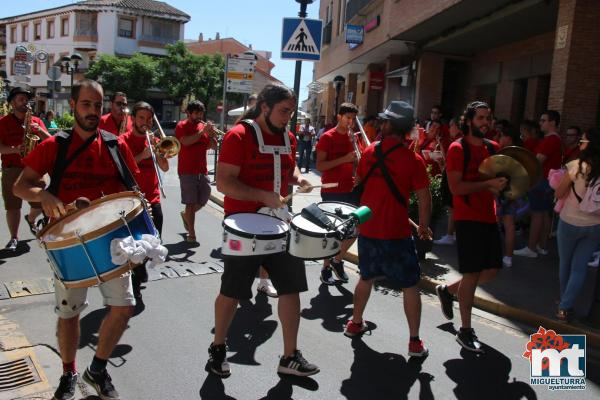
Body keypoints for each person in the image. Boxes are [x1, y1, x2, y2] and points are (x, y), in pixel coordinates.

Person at [13, 79, 140, 400]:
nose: (93, 111)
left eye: (98, 106)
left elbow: (130, 192)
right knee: (69, 313)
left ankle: (96, 369)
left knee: (123, 308)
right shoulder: (56, 145)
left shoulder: (115, 145)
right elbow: (20, 186)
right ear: (73, 106)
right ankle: (69, 372)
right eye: (86, 104)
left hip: (110, 239)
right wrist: (44, 196)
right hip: (69, 240)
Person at [209, 84, 319, 378]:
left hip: (280, 223)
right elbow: (223, 183)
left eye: (291, 112)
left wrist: (299, 180)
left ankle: (289, 356)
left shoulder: (289, 138)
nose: (288, 117)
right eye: (284, 111)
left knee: (292, 289)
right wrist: (262, 196)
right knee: (231, 291)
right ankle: (218, 349)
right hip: (243, 225)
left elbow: (289, 169)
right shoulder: (239, 136)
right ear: (265, 107)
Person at [344, 101, 431, 358]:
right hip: (397, 233)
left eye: (384, 121)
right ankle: (414, 342)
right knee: (410, 285)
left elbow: (358, 184)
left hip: (369, 229)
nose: (380, 124)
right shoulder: (413, 159)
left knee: (366, 277)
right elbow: (424, 199)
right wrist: (423, 227)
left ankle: (355, 323)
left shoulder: (369, 153)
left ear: (390, 124)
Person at [435, 101, 507, 353]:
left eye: (488, 118)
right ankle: (465, 330)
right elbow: (456, 188)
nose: (486, 122)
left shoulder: (494, 147)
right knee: (473, 275)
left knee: (492, 271)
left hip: (489, 217)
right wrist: (487, 186)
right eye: (480, 118)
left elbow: (502, 181)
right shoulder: (457, 148)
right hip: (467, 219)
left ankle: (447, 290)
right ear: (468, 121)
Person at [120, 101, 169, 300]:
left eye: (149, 119)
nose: (146, 122)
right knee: (137, 241)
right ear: (133, 119)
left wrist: (159, 154)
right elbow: (123, 169)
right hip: (132, 198)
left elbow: (164, 168)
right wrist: (142, 155)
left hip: (153, 196)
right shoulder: (123, 140)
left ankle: (141, 267)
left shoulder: (155, 140)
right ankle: (136, 277)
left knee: (155, 235)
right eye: (141, 118)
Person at [553, 128, 600, 321]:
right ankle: (565, 305)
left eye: (582, 141)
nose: (580, 144)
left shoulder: (576, 165)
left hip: (570, 221)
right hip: (596, 224)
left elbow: (559, 192)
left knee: (565, 264)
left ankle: (565, 306)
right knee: (579, 267)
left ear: (589, 145)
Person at [0, 87, 50, 250]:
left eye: (26, 99)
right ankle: (14, 238)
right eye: (20, 99)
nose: (24, 102)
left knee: (41, 202)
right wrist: (16, 149)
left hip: (34, 169)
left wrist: (40, 130)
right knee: (13, 206)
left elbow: (51, 142)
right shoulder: (3, 123)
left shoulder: (36, 121)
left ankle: (31, 218)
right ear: (12, 103)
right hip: (11, 168)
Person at [315, 102, 360, 285]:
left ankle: (337, 260)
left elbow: (355, 162)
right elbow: (320, 165)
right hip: (332, 189)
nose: (351, 122)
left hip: (350, 188)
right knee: (333, 232)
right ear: (339, 117)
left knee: (354, 230)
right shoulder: (327, 137)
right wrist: (344, 159)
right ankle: (326, 268)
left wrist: (358, 171)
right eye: (348, 118)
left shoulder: (353, 138)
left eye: (353, 119)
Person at [514, 110, 563, 258]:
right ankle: (541, 246)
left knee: (537, 215)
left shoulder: (551, 140)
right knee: (544, 215)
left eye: (543, 120)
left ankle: (531, 248)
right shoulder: (554, 139)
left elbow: (537, 161)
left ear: (553, 122)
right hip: (548, 182)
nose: (540, 123)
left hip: (542, 181)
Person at [176, 100, 218, 243]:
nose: (199, 115)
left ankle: (186, 214)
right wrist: (202, 132)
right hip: (187, 170)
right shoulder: (182, 126)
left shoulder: (203, 127)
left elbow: (212, 146)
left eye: (201, 113)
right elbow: (185, 141)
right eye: (196, 113)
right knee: (191, 202)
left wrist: (212, 135)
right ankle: (191, 234)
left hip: (202, 170)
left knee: (204, 197)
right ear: (188, 113)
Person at [496, 124, 523, 268]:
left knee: (500, 222)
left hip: (503, 190)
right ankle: (508, 256)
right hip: (515, 190)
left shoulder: (506, 153)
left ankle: (498, 254)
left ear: (508, 138)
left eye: (501, 136)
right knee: (509, 223)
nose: (499, 138)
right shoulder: (520, 153)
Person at [434, 117, 464, 245]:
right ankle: (455, 233)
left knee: (453, 208)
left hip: (454, 178)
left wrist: (441, 148)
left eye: (451, 125)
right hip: (455, 177)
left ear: (457, 127)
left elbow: (450, 164)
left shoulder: (458, 142)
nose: (449, 128)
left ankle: (450, 234)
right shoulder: (459, 141)